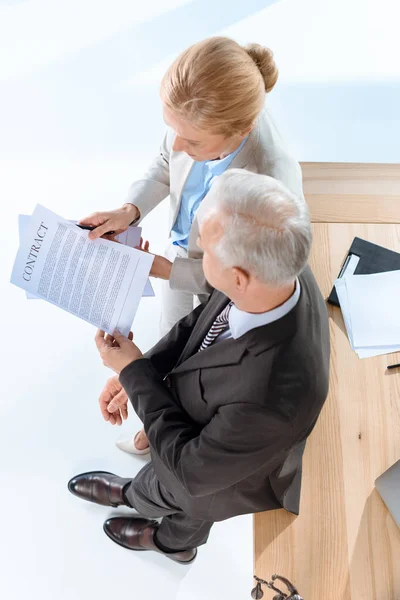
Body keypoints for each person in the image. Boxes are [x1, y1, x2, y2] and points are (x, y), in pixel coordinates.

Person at [68, 170, 330, 565]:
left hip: (212, 477)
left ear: (239, 278)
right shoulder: (276, 271)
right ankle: (136, 495)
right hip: (210, 427)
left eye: (204, 253)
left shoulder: (276, 395)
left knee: (186, 508)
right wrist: (142, 370)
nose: (195, 257)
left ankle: (170, 543)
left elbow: (189, 474)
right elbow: (202, 323)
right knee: (161, 485)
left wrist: (135, 375)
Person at [79, 36, 304, 455]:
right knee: (170, 336)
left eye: (193, 142)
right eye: (172, 130)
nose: (177, 145)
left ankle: (171, 429)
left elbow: (247, 279)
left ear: (242, 130)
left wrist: (164, 269)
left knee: (202, 360)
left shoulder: (270, 180)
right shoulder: (197, 120)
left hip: (223, 281)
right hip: (183, 256)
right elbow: (167, 162)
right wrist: (130, 211)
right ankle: (161, 413)